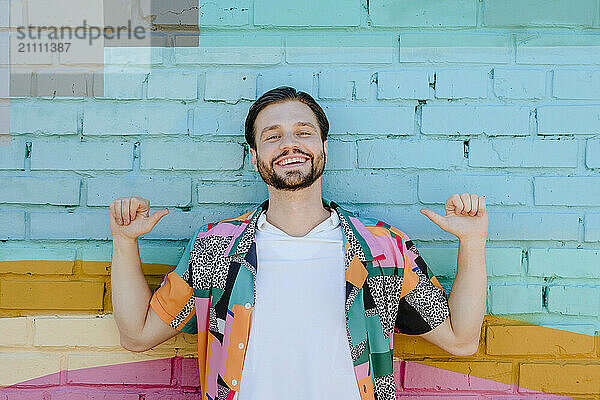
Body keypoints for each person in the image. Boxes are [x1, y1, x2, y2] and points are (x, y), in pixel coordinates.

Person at [109, 86, 488, 400]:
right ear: (256, 157)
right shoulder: (216, 249)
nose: (289, 144)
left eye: (303, 132)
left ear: (325, 147)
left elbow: (460, 339)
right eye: (273, 136)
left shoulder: (383, 249)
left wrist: (472, 242)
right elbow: (138, 335)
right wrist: (124, 241)